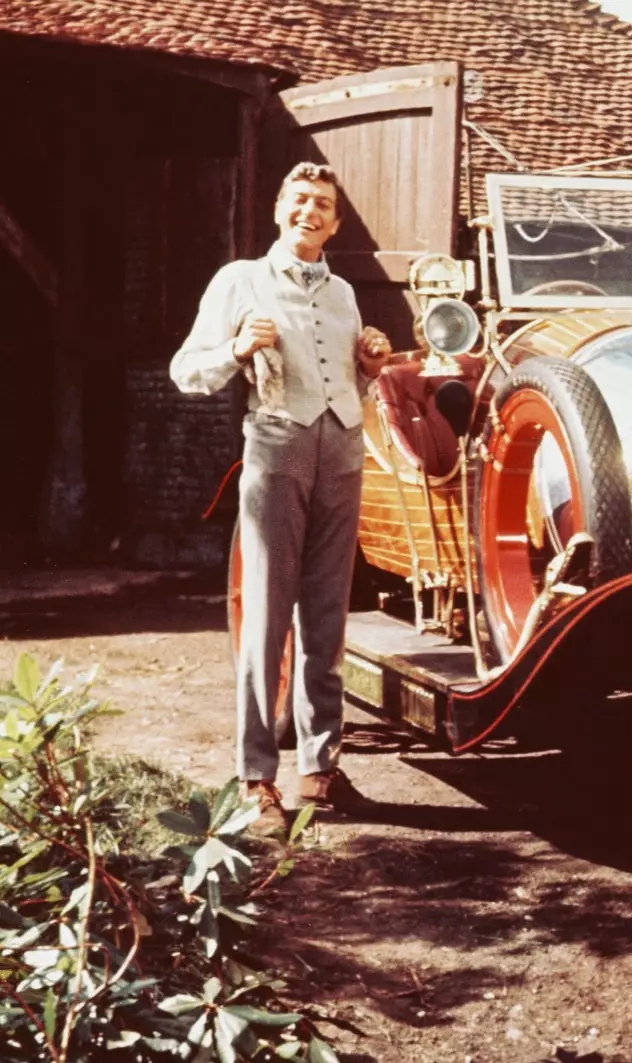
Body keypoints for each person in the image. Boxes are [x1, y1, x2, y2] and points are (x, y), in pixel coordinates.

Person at [171, 163, 391, 831]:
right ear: (278, 211)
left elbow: (353, 383)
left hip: (343, 452)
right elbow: (187, 370)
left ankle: (320, 765)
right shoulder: (241, 279)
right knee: (267, 615)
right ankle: (257, 774)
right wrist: (238, 346)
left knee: (327, 613)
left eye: (322, 204)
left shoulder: (347, 292)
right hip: (277, 449)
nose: (310, 212)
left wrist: (370, 367)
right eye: (299, 201)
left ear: (336, 221)